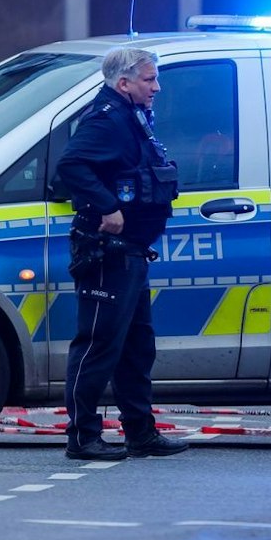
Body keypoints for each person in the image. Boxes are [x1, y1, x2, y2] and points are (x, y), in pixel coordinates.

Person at [54, 46, 190, 462]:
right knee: (98, 345)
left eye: (155, 78)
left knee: (135, 347)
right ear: (124, 82)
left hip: (131, 251)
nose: (157, 87)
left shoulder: (133, 116)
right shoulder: (108, 119)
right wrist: (107, 206)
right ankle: (82, 437)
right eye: (149, 80)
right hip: (107, 253)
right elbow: (71, 165)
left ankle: (140, 433)